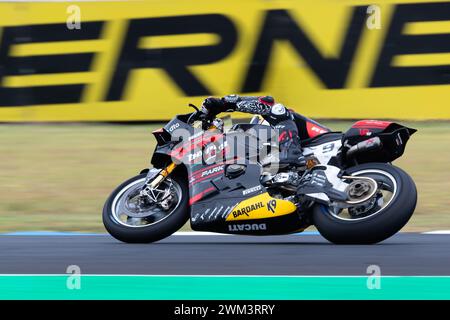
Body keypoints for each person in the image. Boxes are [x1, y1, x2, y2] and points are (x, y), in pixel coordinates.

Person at [201, 94, 306, 167]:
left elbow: (267, 102)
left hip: (311, 142)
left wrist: (225, 103)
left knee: (277, 110)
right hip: (270, 161)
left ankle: (292, 152)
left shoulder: (261, 123)